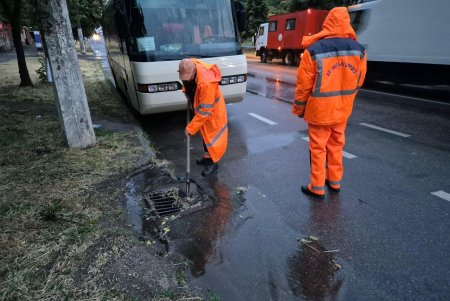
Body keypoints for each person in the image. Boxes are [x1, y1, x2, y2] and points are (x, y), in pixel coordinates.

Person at [292, 7, 367, 199]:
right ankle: (334, 181)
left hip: (319, 111)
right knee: (336, 145)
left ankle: (316, 187)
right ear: (347, 23)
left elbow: (303, 85)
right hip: (342, 109)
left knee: (318, 148)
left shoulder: (314, 50)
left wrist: (300, 109)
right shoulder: (359, 50)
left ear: (328, 23)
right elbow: (359, 80)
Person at [178, 58, 228, 176]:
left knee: (212, 138)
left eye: (188, 77)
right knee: (205, 135)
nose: (187, 80)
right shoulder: (189, 64)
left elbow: (205, 111)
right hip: (203, 108)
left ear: (194, 71)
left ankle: (213, 163)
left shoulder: (207, 83)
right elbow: (190, 84)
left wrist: (191, 128)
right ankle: (207, 158)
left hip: (212, 112)